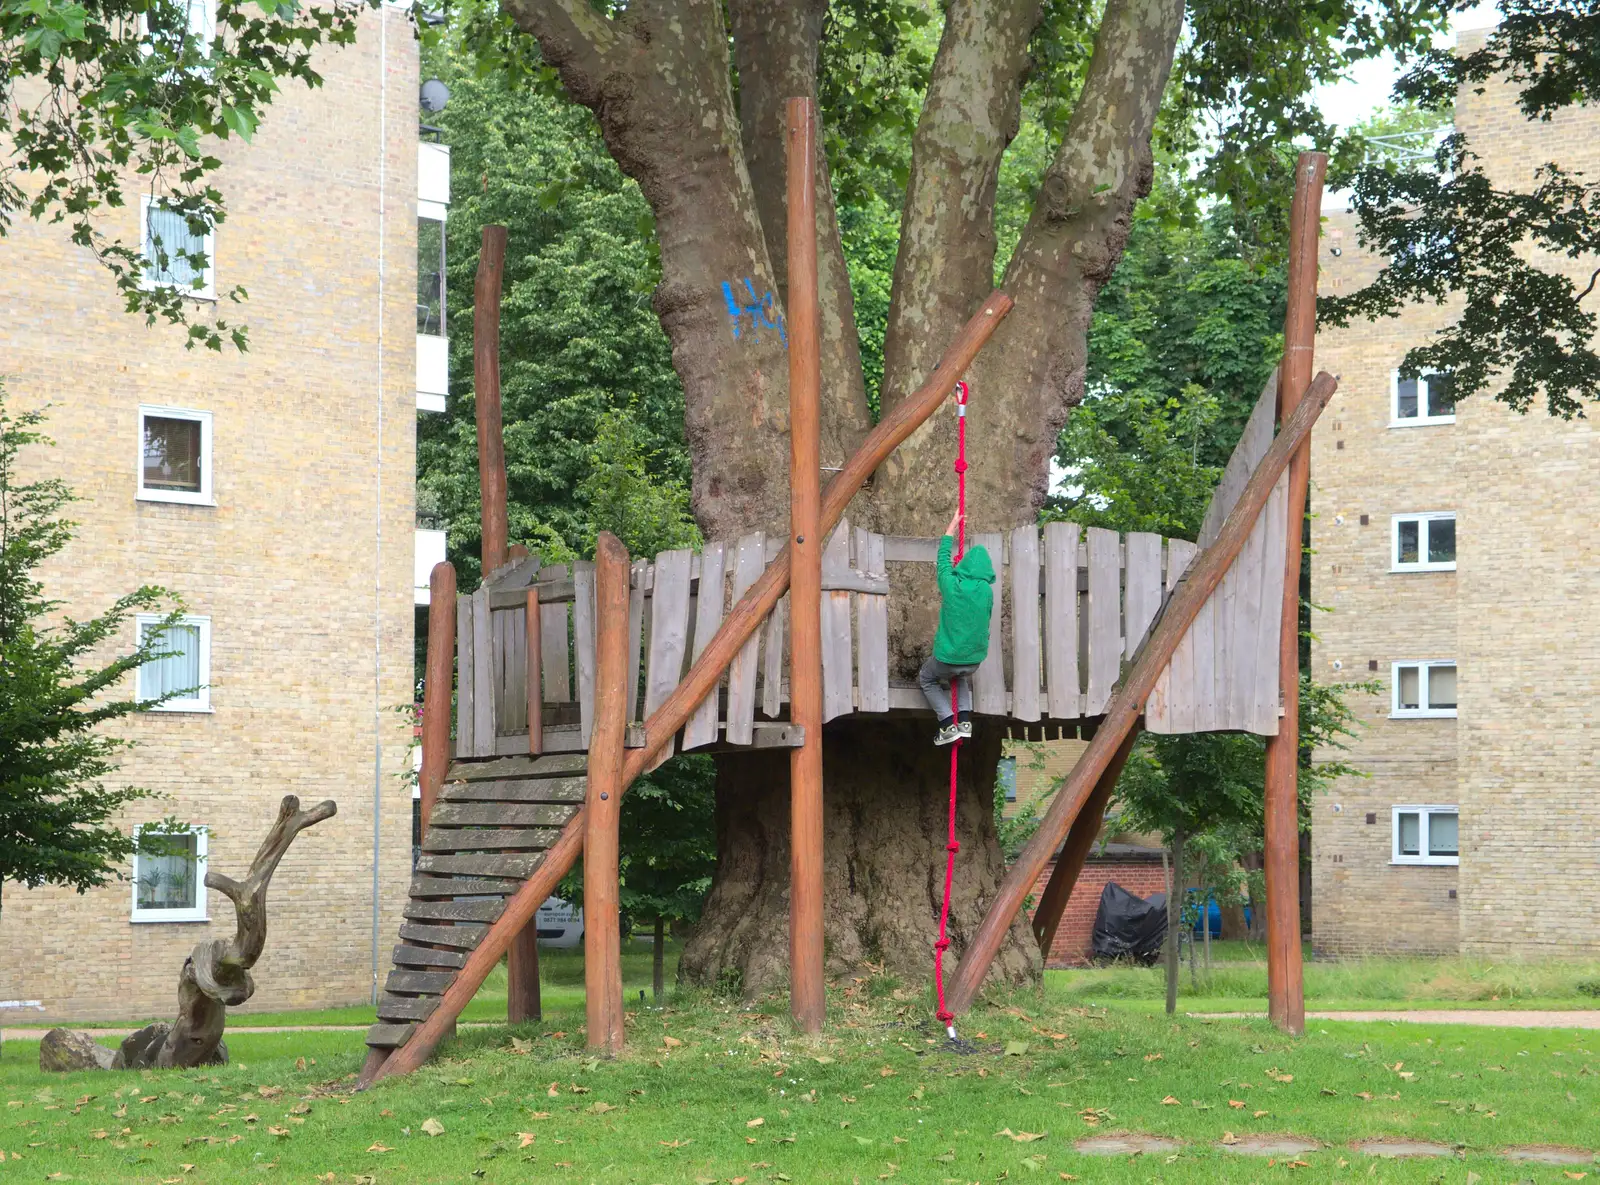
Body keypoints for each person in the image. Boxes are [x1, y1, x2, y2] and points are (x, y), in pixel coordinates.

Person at [919, 507, 995, 746]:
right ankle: (964, 721)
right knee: (959, 676)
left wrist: (952, 527)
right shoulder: (986, 591)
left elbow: (942, 560)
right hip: (973, 661)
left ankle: (946, 724)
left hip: (946, 658)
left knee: (927, 678)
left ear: (963, 568)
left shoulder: (951, 584)